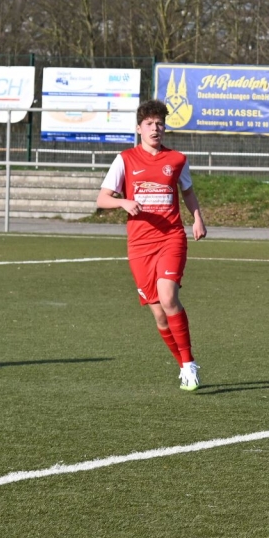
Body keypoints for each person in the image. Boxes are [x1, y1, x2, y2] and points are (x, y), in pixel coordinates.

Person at [96, 100, 208, 390]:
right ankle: (182, 365)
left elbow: (188, 192)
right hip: (140, 244)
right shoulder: (125, 159)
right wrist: (123, 202)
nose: (155, 128)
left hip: (171, 237)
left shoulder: (177, 160)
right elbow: (102, 199)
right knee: (159, 314)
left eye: (160, 123)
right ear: (139, 128)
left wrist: (197, 218)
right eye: (149, 124)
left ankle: (189, 363)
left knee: (168, 298)